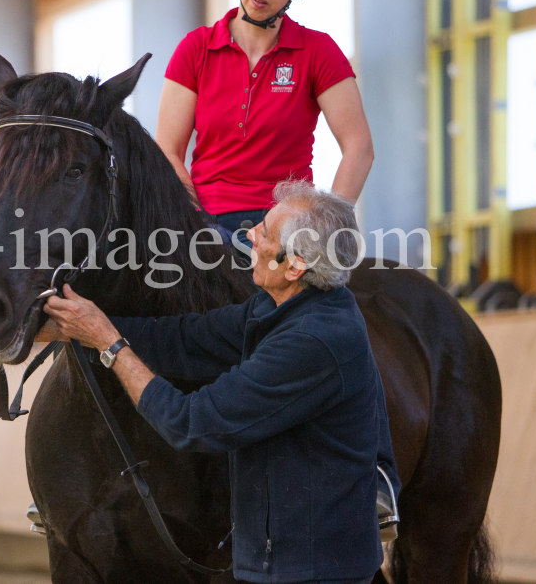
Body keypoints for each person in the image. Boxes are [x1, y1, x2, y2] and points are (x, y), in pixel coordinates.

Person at [39, 182, 400, 583]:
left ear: (295, 265)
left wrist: (109, 345)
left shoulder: (311, 342)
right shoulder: (280, 305)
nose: (249, 236)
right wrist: (71, 328)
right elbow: (184, 338)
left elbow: (191, 423)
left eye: (264, 232)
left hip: (310, 571)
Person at [155, 0, 373, 242]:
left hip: (285, 226)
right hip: (206, 220)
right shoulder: (195, 49)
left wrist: (323, 227)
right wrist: (193, 219)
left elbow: (359, 147)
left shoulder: (318, 51)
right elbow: (168, 150)